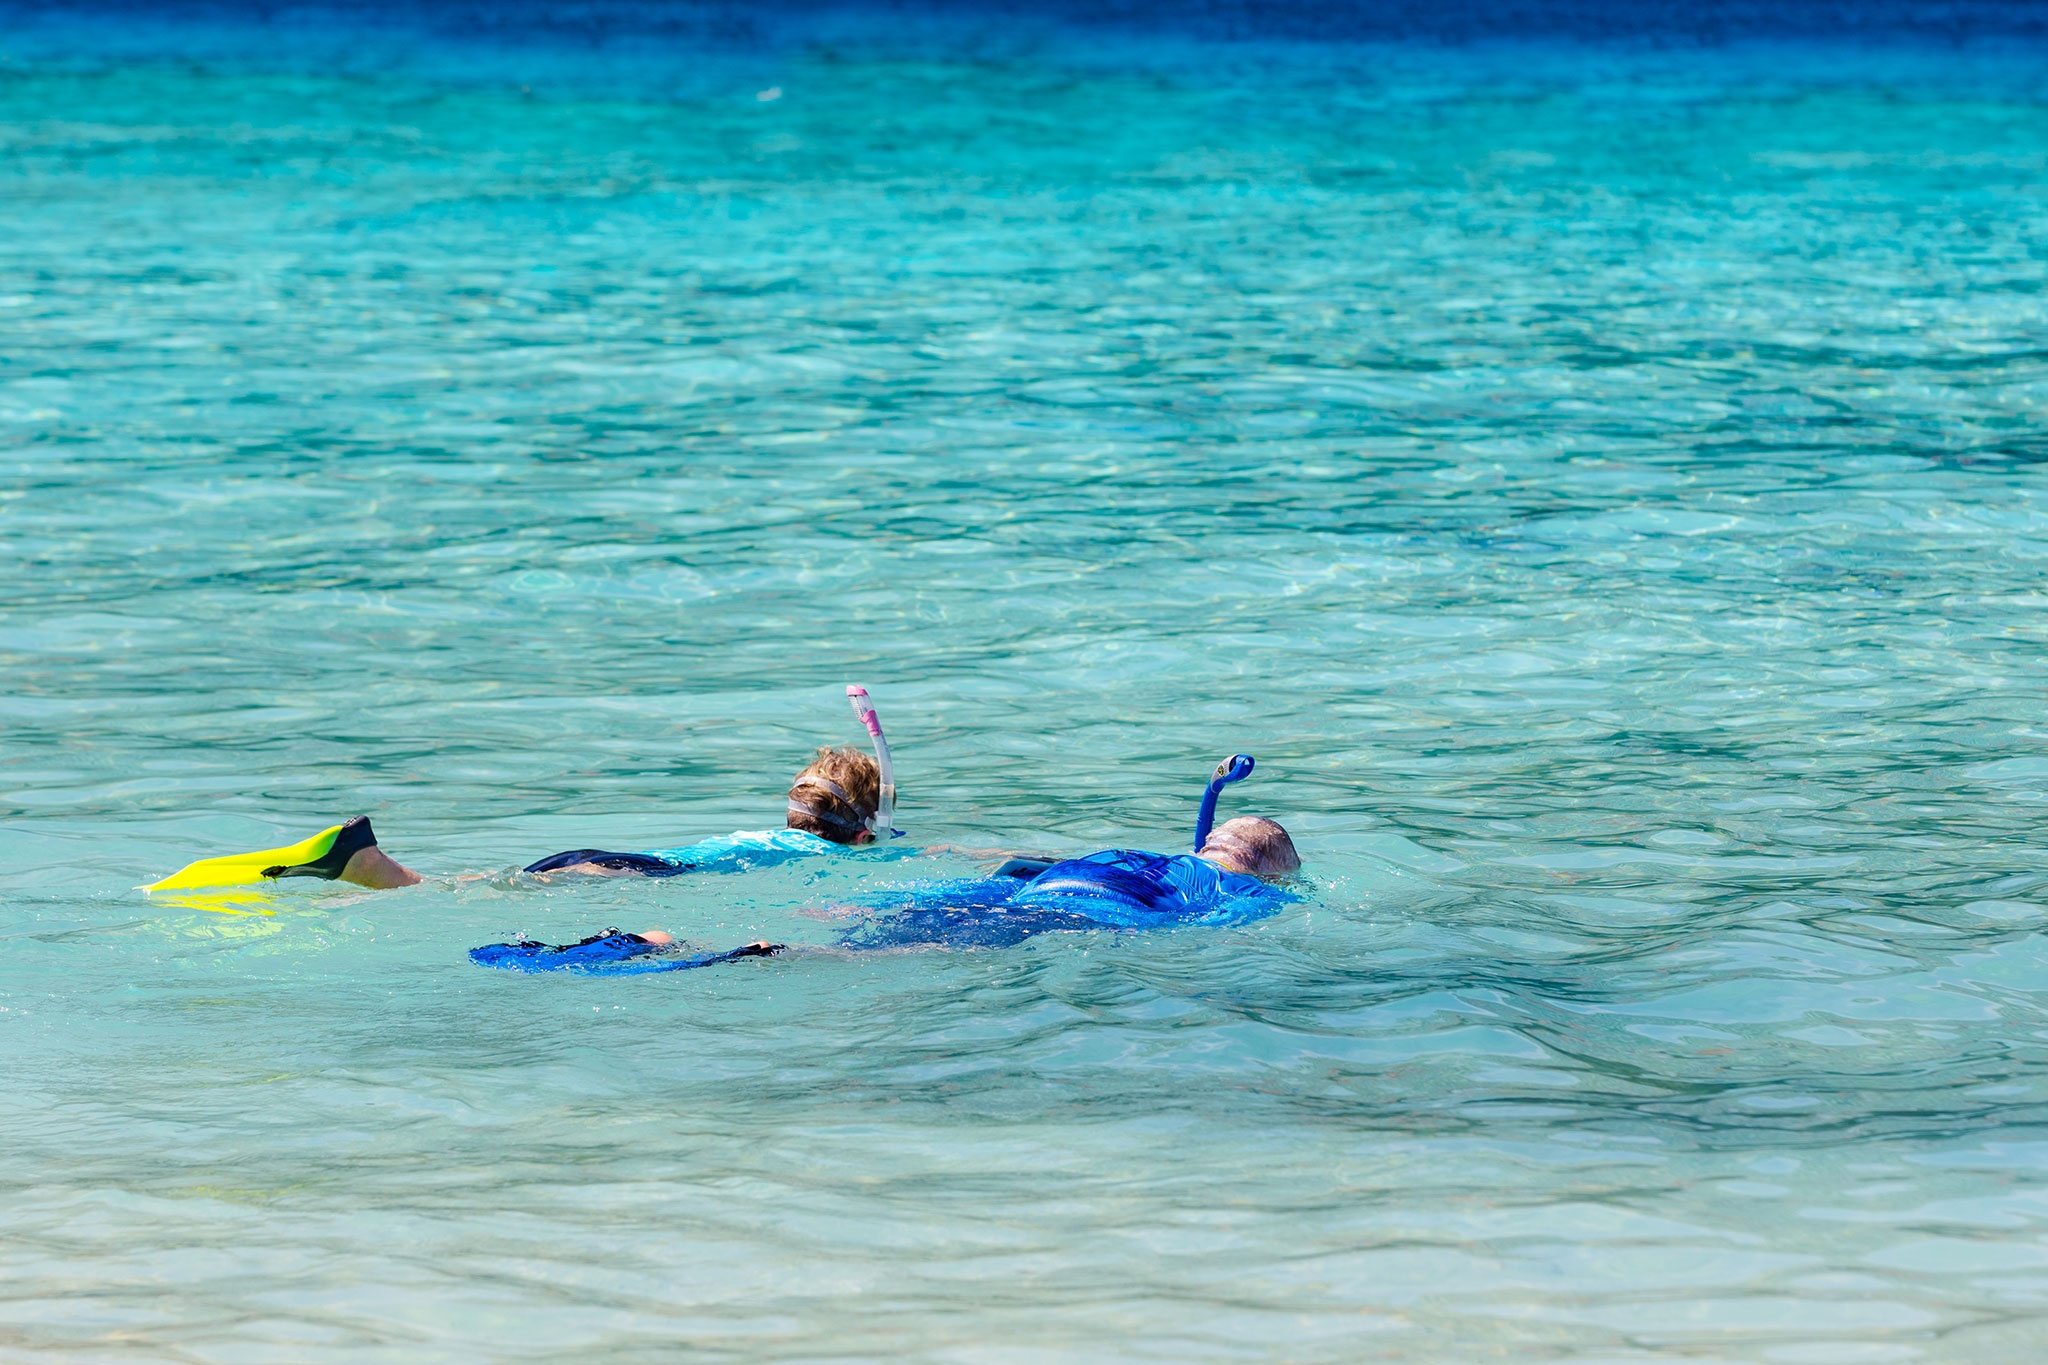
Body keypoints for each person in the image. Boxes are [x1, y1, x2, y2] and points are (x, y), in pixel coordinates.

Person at [149, 745, 886, 893]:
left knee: (489, 885)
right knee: (480, 897)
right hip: (634, 872)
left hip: (616, 855)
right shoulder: (832, 858)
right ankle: (368, 869)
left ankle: (366, 869)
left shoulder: (771, 838)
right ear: (858, 833)